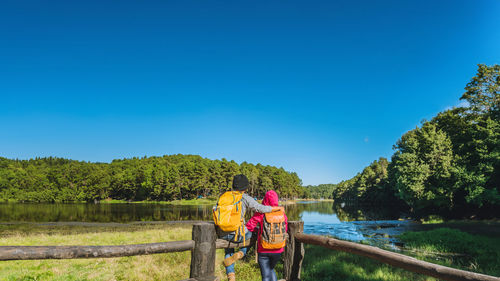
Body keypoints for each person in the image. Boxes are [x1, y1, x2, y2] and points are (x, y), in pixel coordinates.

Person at [216, 174, 282, 281]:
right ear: (245, 187)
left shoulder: (223, 196)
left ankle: (231, 275)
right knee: (253, 233)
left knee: (228, 250)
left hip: (222, 233)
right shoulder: (244, 197)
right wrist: (275, 209)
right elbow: (259, 208)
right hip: (238, 234)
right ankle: (242, 252)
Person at [246, 190, 288, 281]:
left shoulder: (261, 213)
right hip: (278, 248)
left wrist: (257, 230)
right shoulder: (282, 214)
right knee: (271, 269)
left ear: (265, 199)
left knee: (265, 276)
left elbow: (249, 226)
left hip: (263, 248)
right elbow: (285, 229)